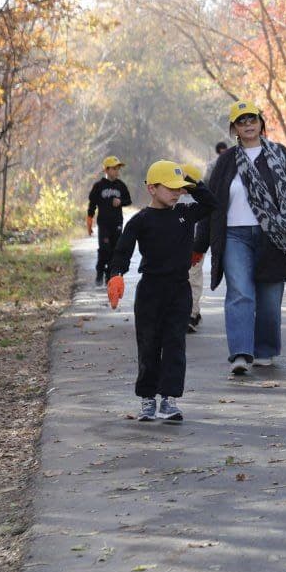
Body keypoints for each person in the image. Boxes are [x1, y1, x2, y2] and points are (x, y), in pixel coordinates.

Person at [194, 101, 286, 375]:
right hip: (234, 235)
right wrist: (198, 246)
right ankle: (240, 353)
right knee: (240, 292)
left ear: (260, 122)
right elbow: (209, 203)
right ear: (234, 128)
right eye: (241, 121)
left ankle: (265, 349)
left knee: (270, 299)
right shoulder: (226, 161)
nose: (247, 124)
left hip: (274, 237)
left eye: (252, 119)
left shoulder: (281, 155)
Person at [107, 160, 216, 422]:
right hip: (150, 292)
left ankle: (169, 399)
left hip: (179, 290)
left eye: (180, 189)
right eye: (171, 188)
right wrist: (116, 275)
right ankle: (147, 398)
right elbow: (123, 249)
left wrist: (194, 184)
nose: (177, 193)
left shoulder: (186, 213)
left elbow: (213, 204)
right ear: (152, 188)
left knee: (175, 344)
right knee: (148, 345)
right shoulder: (141, 220)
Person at [86, 156, 132, 286]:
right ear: (106, 170)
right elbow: (92, 205)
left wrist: (121, 202)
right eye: (114, 168)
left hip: (117, 223)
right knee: (104, 249)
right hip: (104, 224)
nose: (117, 171)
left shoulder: (121, 186)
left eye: (118, 169)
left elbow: (129, 201)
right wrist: (89, 223)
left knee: (115, 250)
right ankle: (100, 271)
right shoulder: (98, 186)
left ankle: (109, 275)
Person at [180, 162, 206, 333]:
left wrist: (199, 247)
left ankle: (192, 314)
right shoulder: (177, 197)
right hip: (181, 246)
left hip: (195, 246)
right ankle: (186, 312)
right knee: (186, 280)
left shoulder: (198, 200)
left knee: (193, 279)